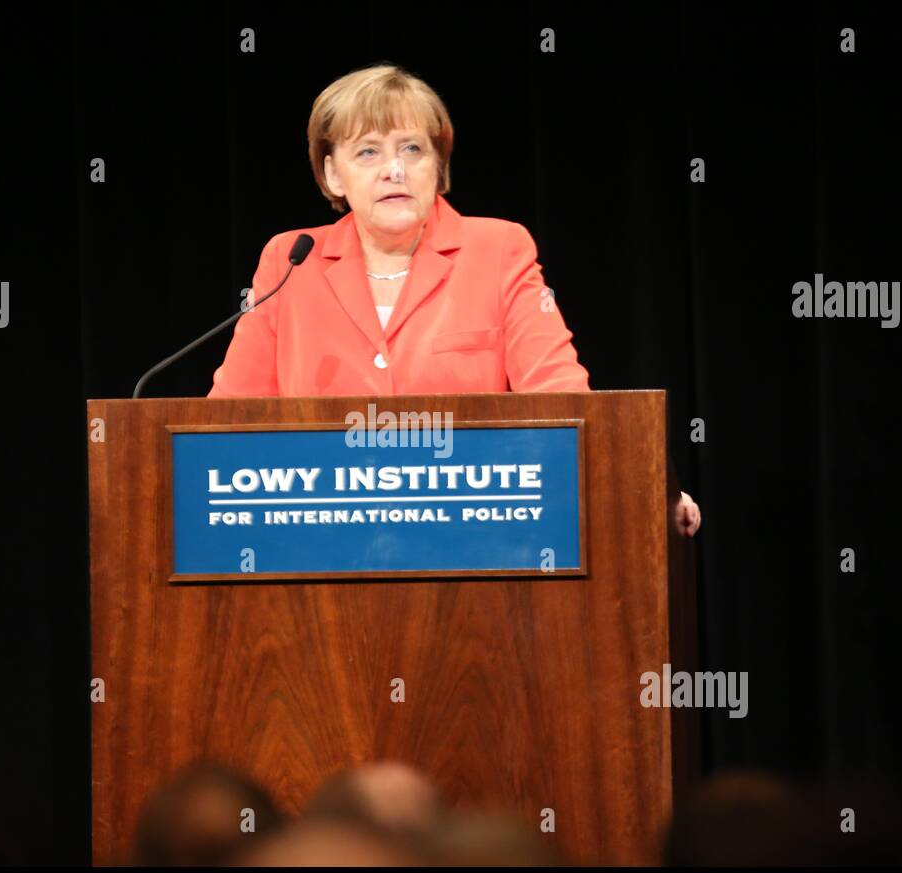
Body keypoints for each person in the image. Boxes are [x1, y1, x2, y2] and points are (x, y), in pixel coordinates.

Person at [208, 63, 701, 536]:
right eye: (368, 153)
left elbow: (559, 397)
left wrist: (641, 488)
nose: (395, 170)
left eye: (413, 149)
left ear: (438, 168)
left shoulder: (497, 250)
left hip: (472, 539)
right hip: (317, 537)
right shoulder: (291, 261)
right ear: (333, 175)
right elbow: (228, 419)